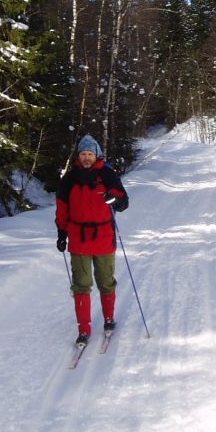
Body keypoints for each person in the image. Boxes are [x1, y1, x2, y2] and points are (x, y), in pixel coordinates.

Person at [55, 134, 129, 345]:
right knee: (81, 285)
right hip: (78, 239)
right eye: (83, 154)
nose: (87, 158)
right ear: (78, 156)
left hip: (104, 237)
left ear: (97, 155)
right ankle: (84, 329)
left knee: (106, 281)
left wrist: (114, 199)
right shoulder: (69, 179)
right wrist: (62, 234)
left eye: (90, 154)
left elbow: (124, 202)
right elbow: (62, 209)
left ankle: (109, 319)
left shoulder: (107, 174)